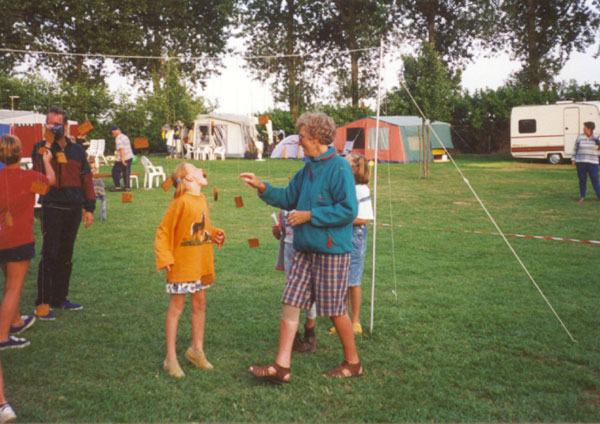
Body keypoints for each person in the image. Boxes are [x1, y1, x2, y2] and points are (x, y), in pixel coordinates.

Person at [239, 111, 363, 383]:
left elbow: (348, 210)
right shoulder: (307, 168)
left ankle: (353, 363)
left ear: (318, 137)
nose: (299, 143)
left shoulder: (339, 167)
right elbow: (287, 196)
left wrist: (309, 215)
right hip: (304, 248)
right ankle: (281, 366)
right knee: (290, 301)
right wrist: (261, 186)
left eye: (303, 137)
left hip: (331, 250)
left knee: (335, 310)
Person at [155, 163, 225, 378]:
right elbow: (164, 230)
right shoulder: (180, 202)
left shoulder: (202, 199)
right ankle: (171, 358)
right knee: (177, 307)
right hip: (181, 265)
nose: (201, 171)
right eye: (195, 170)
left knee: (200, 304)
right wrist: (165, 257)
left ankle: (196, 350)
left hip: (200, 264)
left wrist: (214, 234)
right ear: (187, 179)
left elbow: (199, 227)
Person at [31, 106, 95, 320]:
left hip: (73, 208)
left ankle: (60, 299)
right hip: (52, 207)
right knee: (49, 255)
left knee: (66, 256)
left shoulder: (77, 150)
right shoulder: (39, 147)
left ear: (66, 126)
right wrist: (48, 143)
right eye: (50, 123)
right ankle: (42, 303)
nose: (54, 127)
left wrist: (89, 208)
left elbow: (86, 179)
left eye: (58, 124)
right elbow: (39, 172)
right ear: (45, 125)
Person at [0, 134, 55, 348]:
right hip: (19, 239)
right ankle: (3, 336)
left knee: (9, 284)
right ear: (19, 153)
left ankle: (15, 322)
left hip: (2, 238)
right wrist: (47, 162)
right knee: (14, 288)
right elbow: (51, 181)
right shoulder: (31, 177)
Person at [329, 153, 374, 335]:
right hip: (341, 234)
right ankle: (343, 320)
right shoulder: (343, 186)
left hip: (355, 236)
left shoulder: (361, 189)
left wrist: (339, 219)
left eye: (346, 163)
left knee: (353, 280)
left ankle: (355, 321)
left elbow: (364, 219)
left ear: (354, 168)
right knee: (340, 279)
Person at [272, 210, 317, 353]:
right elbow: (282, 232)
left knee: (310, 292)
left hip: (308, 247)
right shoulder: (287, 201)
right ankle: (294, 335)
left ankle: (310, 330)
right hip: (290, 249)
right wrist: (277, 230)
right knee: (291, 291)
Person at [571, 121, 600, 202]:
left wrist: (597, 141)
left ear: (589, 129)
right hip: (580, 161)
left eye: (585, 127)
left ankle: (599, 196)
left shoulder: (597, 136)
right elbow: (575, 148)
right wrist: (573, 159)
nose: (583, 129)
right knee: (582, 179)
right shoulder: (580, 137)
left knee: (595, 179)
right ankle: (582, 196)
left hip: (593, 162)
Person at [109, 126, 134, 192]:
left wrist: (122, 159)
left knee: (115, 171)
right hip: (129, 156)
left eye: (113, 133)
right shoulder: (125, 136)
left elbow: (122, 149)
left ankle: (118, 187)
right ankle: (127, 188)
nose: (113, 135)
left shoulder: (118, 138)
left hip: (124, 158)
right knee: (126, 172)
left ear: (115, 131)